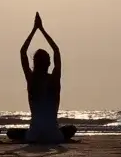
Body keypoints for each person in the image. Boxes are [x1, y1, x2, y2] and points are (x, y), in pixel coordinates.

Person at [6, 13, 77, 144]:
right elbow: (56, 51)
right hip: (55, 135)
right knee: (71, 128)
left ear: (34, 63)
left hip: (33, 135)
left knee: (11, 132)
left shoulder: (31, 80)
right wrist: (42, 29)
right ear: (49, 63)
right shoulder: (54, 80)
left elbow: (22, 52)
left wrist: (34, 29)